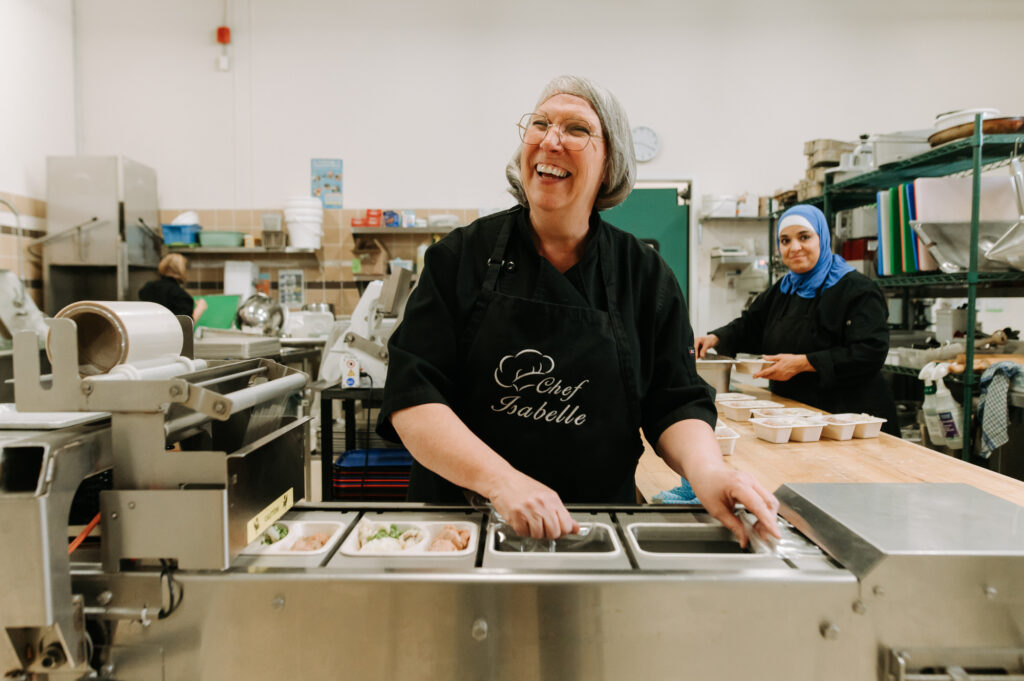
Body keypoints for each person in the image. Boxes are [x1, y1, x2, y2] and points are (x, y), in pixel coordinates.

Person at [377, 75, 779, 545]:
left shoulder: (644, 275)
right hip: (464, 528)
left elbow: (675, 400)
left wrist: (709, 471)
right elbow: (414, 397)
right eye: (541, 123)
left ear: (610, 163)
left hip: (596, 527)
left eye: (576, 129)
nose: (551, 140)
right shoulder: (460, 258)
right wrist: (502, 482)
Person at [695, 204, 899, 435]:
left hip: (850, 420)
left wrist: (804, 363)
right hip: (797, 415)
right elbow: (751, 327)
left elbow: (869, 352)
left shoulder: (858, 290)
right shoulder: (783, 289)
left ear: (822, 238)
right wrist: (715, 338)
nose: (795, 247)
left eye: (804, 237)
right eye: (785, 240)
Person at [139, 253, 208, 322]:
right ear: (183, 271)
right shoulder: (181, 296)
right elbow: (184, 327)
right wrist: (199, 309)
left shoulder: (147, 289)